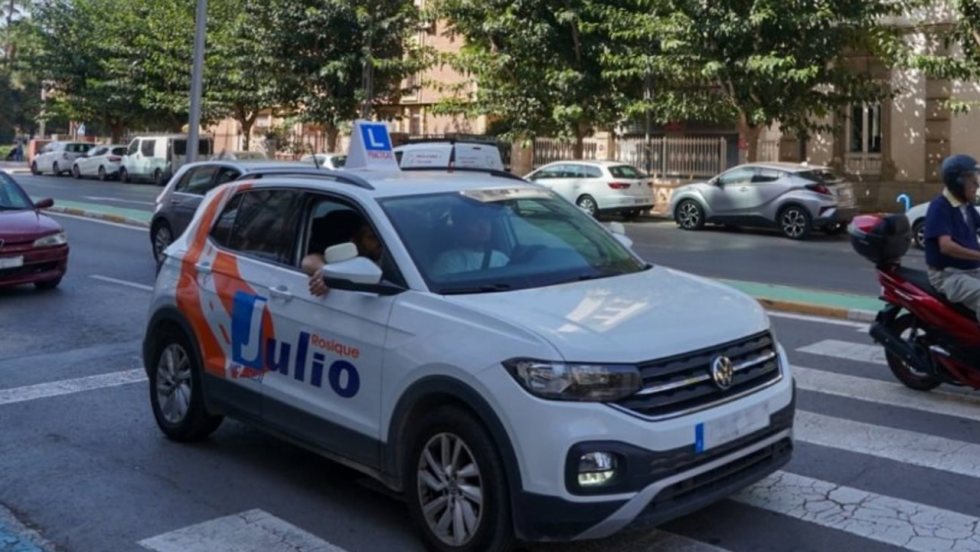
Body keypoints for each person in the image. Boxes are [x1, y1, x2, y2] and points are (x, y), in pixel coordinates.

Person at [924, 154, 980, 324]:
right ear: (958, 182)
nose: (977, 184)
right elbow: (946, 246)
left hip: (970, 272)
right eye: (972, 180)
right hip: (947, 276)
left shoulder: (966, 206)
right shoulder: (940, 206)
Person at [302, 220, 383, 297]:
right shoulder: (347, 259)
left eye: (380, 237)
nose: (378, 242)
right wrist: (326, 272)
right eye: (371, 237)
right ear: (356, 241)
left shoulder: (390, 258)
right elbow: (309, 261)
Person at [430, 206, 509, 277]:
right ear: (461, 228)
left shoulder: (501, 258)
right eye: (475, 223)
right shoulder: (447, 261)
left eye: (486, 221)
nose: (484, 228)